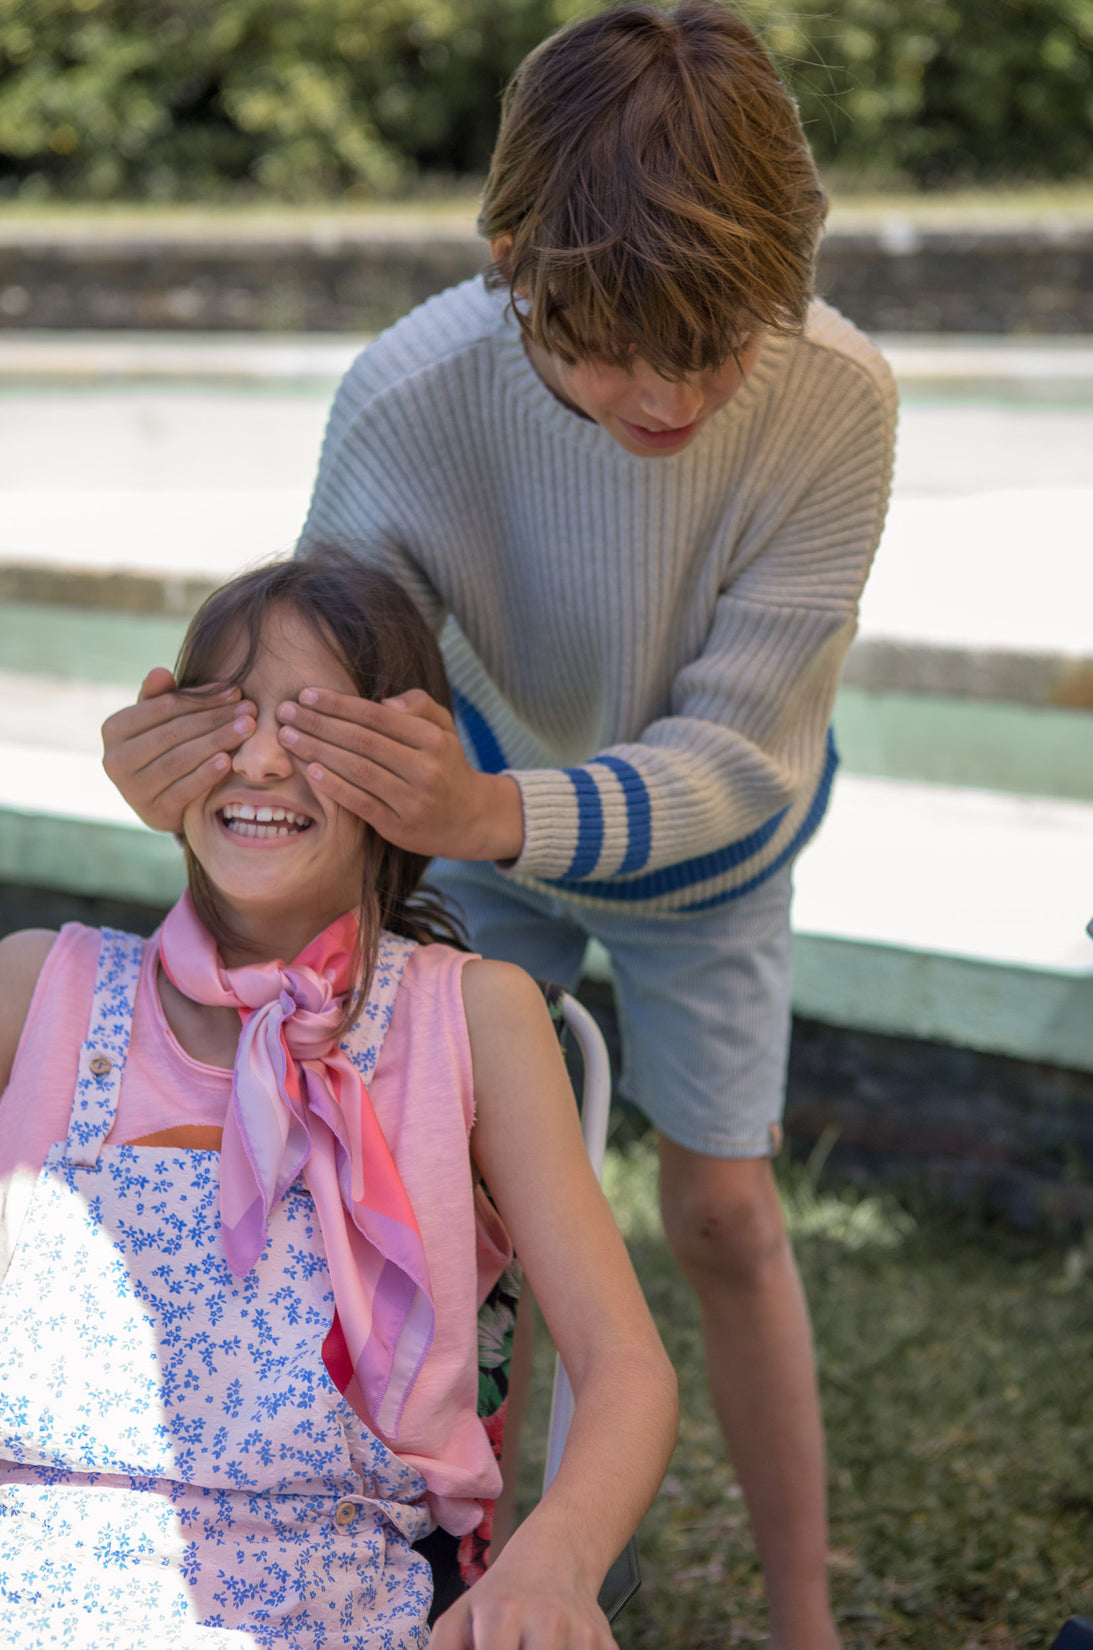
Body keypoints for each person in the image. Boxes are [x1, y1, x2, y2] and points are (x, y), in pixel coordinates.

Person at [100, 5, 897, 1644]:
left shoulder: (837, 398)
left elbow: (738, 756)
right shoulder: (415, 395)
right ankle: (492, 1564)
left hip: (705, 840)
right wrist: (207, 770)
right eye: (606, 348)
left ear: (789, 277)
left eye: (716, 345)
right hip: (469, 808)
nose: (666, 394)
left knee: (728, 1211)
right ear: (514, 263)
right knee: (473, 1208)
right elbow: (316, 697)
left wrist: (498, 808)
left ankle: (806, 1617)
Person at [0, 551, 677, 1649]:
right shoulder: (42, 991)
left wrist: (550, 1559)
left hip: (327, 1595)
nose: (261, 759)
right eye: (226, 718)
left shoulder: (473, 1020)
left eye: (316, 729)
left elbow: (624, 1367)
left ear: (404, 769)